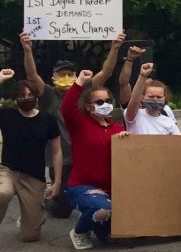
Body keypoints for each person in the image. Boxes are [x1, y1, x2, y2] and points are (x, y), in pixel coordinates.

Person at [33, 30, 124, 218]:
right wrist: (27, 50)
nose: (66, 77)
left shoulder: (85, 92)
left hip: (84, 153)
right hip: (62, 157)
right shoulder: (49, 95)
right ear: (53, 77)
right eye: (61, 74)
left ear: (76, 76)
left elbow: (106, 72)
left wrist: (115, 47)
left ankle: (91, 203)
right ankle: (50, 200)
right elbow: (32, 76)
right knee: (62, 210)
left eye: (69, 73)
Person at [61, 69, 128, 249]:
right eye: (99, 102)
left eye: (107, 101)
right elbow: (66, 108)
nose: (104, 104)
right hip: (83, 186)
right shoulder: (80, 124)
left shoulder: (118, 128)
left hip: (110, 190)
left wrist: (126, 140)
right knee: (101, 210)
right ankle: (79, 232)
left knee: (113, 240)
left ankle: (99, 227)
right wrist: (80, 82)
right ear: (88, 106)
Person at [0, 69, 62, 242]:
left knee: (30, 235)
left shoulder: (47, 119)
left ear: (36, 96)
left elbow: (56, 151)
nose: (26, 98)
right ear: (15, 98)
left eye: (29, 94)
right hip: (8, 170)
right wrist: (1, 79)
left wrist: (56, 182)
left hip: (33, 176)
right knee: (3, 193)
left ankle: (33, 216)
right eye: (21, 95)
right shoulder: (6, 116)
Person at [124, 62, 181, 135]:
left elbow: (178, 143)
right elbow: (134, 100)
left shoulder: (170, 123)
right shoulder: (135, 116)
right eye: (151, 96)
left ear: (165, 98)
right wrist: (143, 76)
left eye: (159, 97)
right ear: (142, 98)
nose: (155, 99)